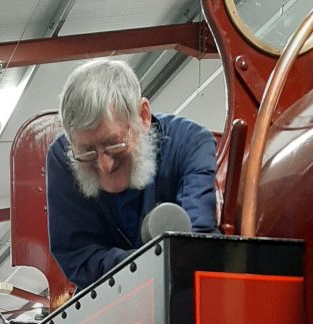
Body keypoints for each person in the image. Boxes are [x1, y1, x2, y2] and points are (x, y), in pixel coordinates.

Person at [46, 58, 218, 289]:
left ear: (143, 116)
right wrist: (142, 263)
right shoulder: (62, 158)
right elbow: (77, 254)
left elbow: (195, 241)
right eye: (87, 152)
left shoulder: (190, 143)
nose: (105, 165)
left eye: (114, 144)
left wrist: (138, 264)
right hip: (109, 300)